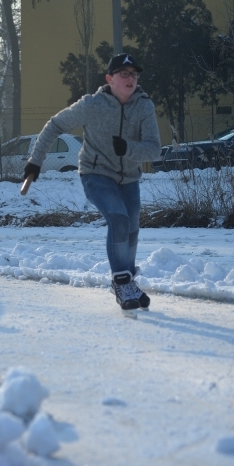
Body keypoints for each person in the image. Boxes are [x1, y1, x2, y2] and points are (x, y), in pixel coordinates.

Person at [23, 54, 162, 316]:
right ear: (110, 79)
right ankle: (121, 282)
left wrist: (129, 149)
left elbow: (154, 150)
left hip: (129, 178)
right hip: (95, 174)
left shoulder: (144, 106)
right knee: (119, 220)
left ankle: (129, 281)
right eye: (124, 73)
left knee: (131, 230)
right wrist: (35, 162)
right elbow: (54, 125)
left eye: (134, 74)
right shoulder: (92, 105)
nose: (130, 78)